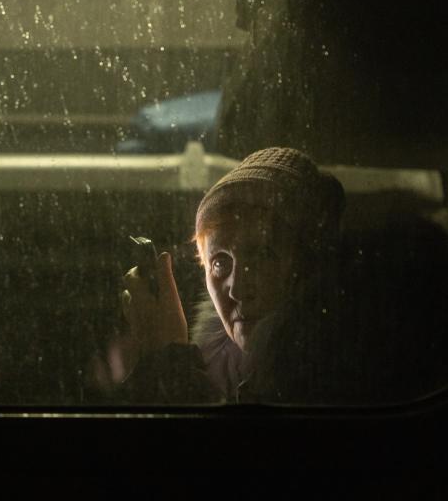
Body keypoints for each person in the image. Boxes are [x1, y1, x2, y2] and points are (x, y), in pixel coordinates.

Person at [116, 146, 346, 404]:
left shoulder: (326, 378)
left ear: (306, 267)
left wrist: (168, 358)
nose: (237, 290)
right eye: (219, 263)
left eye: (262, 255)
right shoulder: (222, 377)